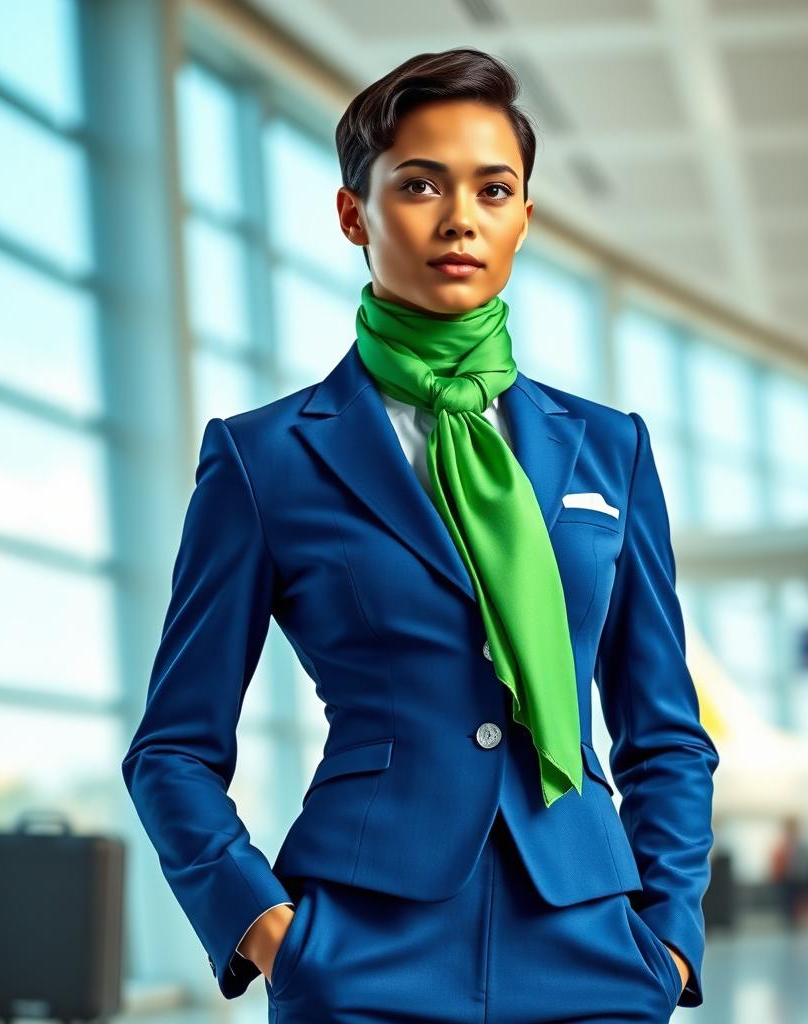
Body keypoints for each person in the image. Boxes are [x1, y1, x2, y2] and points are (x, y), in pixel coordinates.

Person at [122, 47, 720, 1024]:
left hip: (592, 943)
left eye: (494, 189)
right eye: (418, 185)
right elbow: (172, 749)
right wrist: (270, 930)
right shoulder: (263, 456)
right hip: (360, 945)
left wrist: (670, 939)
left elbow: (663, 728)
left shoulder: (607, 449)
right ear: (353, 212)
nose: (460, 220)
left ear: (524, 216)